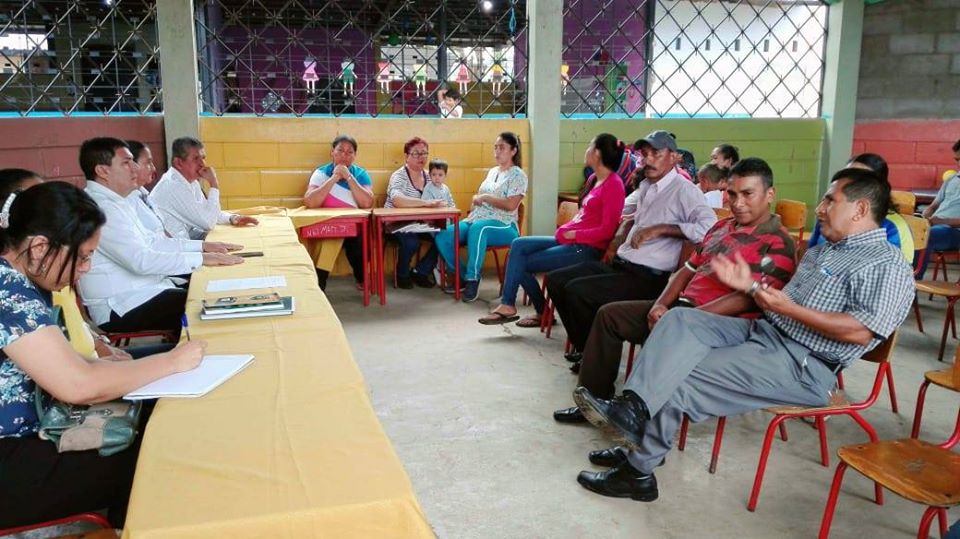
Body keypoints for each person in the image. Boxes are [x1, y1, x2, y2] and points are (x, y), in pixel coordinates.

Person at [573, 168, 915, 502]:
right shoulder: (824, 250)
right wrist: (751, 286)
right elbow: (780, 302)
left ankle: (638, 471)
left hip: (804, 363)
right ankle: (634, 412)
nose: (820, 208)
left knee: (681, 372)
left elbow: (860, 331)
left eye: (830, 200)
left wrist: (788, 309)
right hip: (765, 332)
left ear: (860, 209)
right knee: (678, 322)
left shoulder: (887, 265)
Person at [0, 181, 206, 529]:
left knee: (161, 419)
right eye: (82, 256)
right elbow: (77, 385)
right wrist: (170, 362)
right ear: (38, 247)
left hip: (40, 426)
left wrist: (99, 364)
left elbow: (59, 366)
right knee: (159, 454)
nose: (87, 268)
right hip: (11, 459)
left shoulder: (22, 280)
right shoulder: (8, 292)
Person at [553, 158, 797, 423]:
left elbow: (748, 300)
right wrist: (661, 304)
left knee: (664, 333)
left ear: (769, 194)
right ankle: (593, 404)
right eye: (732, 194)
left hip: (719, 325)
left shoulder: (778, 242)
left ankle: (634, 417)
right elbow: (686, 270)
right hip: (682, 309)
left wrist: (682, 317)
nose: (737, 203)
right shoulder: (721, 227)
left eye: (748, 194)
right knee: (609, 316)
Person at [545, 130, 716, 361]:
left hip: (648, 276)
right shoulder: (646, 186)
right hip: (623, 264)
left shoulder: (684, 190)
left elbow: (709, 228)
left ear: (674, 157)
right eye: (645, 154)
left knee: (578, 291)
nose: (648, 160)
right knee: (556, 280)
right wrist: (622, 228)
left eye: (656, 153)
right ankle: (588, 348)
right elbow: (622, 210)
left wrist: (662, 228)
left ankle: (594, 357)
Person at [77, 138, 243, 335]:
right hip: (122, 304)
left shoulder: (119, 200)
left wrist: (201, 248)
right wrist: (201, 257)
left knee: (211, 290)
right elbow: (141, 261)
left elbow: (154, 242)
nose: (134, 168)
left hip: (146, 289)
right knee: (210, 305)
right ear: (102, 171)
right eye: (126, 163)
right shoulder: (101, 208)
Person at [477, 134, 626, 327]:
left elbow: (608, 230)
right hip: (570, 240)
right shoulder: (593, 179)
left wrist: (575, 234)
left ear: (597, 153)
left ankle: (527, 309)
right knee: (518, 245)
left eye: (590, 146)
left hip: (585, 248)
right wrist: (568, 230)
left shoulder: (614, 184)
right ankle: (527, 309)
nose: (586, 150)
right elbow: (585, 218)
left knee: (520, 262)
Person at [435, 132, 528, 302]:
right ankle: (463, 276)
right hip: (477, 218)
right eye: (495, 147)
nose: (497, 151)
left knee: (479, 228)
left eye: (502, 148)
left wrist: (485, 198)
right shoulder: (492, 172)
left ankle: (473, 278)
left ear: (513, 150)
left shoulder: (518, 175)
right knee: (444, 235)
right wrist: (476, 199)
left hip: (504, 224)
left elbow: (511, 205)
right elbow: (480, 196)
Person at [807, 153, 914, 264]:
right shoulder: (828, 217)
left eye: (860, 177)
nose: (848, 182)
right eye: (847, 175)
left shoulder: (893, 227)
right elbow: (810, 258)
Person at [148, 137, 258, 240]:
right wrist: (213, 183)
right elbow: (208, 223)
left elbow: (208, 212)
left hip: (187, 238)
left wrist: (232, 218)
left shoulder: (191, 181)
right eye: (196, 159)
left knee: (242, 237)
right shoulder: (173, 186)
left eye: (203, 158)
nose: (202, 164)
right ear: (179, 163)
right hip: (173, 247)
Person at [303, 135, 374, 290]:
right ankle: (319, 288)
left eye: (349, 152)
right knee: (327, 245)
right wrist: (334, 178)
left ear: (354, 156)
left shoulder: (360, 174)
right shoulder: (321, 173)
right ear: (332, 152)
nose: (344, 155)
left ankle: (361, 278)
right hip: (327, 224)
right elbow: (310, 202)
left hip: (353, 226)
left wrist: (348, 177)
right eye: (340, 150)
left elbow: (367, 203)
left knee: (359, 245)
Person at [385, 137, 445, 289]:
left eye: (424, 153)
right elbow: (397, 200)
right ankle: (402, 274)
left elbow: (441, 196)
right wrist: (425, 203)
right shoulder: (399, 176)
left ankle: (421, 271)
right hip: (396, 223)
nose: (421, 157)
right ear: (406, 156)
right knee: (411, 242)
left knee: (445, 237)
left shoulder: (430, 176)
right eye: (416, 153)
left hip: (420, 224)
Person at [918, 139, 960, 277]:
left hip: (954, 232)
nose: (959, 163)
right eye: (957, 159)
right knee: (903, 231)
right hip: (935, 224)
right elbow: (934, 205)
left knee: (925, 236)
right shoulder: (952, 179)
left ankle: (913, 281)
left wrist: (940, 221)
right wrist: (926, 213)